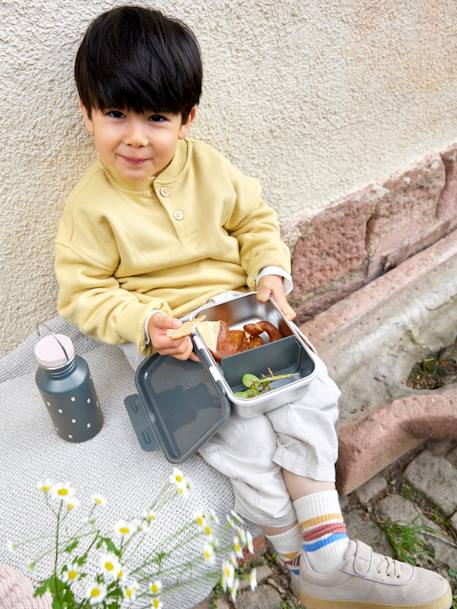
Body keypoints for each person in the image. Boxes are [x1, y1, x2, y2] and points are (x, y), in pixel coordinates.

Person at [55, 6, 452, 608]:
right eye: (115, 114)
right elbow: (84, 292)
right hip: (176, 341)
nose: (135, 137)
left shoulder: (209, 167)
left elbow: (254, 223)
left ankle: (327, 554)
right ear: (88, 114)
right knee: (240, 445)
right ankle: (307, 567)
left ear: (187, 120)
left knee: (308, 395)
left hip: (238, 316)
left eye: (156, 118)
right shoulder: (90, 207)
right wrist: (142, 323)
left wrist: (269, 270)